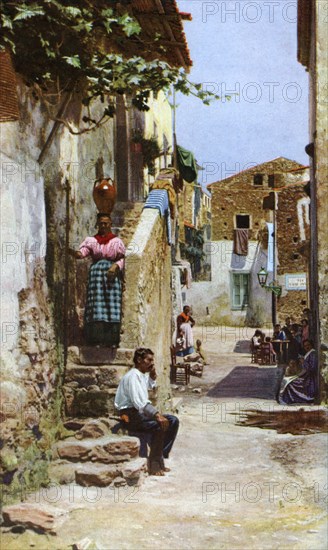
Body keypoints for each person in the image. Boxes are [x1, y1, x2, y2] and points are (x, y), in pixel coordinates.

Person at [114, 347, 179, 476]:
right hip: (129, 415)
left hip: (138, 413)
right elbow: (140, 403)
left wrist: (152, 377)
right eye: (148, 360)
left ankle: (160, 455)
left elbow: (148, 387)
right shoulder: (133, 376)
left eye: (152, 360)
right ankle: (154, 464)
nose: (151, 363)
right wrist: (156, 415)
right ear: (139, 360)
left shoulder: (140, 375)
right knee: (159, 425)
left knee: (173, 421)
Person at [69, 213, 125, 346]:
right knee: (97, 306)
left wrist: (115, 266)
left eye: (106, 223)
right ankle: (96, 340)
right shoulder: (91, 241)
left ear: (110, 224)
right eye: (101, 223)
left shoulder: (117, 242)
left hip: (111, 277)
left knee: (112, 306)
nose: (104, 226)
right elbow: (81, 254)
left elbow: (122, 258)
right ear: (97, 225)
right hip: (96, 277)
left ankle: (111, 341)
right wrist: (71, 252)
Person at [278, 340, 318, 404]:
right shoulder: (309, 353)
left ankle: (292, 399)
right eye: (305, 346)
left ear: (311, 345)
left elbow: (312, 368)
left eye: (308, 345)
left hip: (309, 378)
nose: (307, 347)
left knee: (290, 382)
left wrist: (303, 362)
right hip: (305, 375)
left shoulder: (313, 353)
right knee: (286, 379)